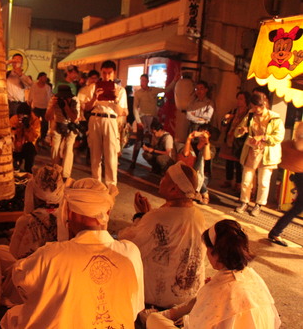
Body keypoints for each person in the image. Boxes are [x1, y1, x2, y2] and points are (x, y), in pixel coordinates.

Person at [1, 178, 144, 328]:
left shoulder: (51, 255)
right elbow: (133, 310)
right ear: (107, 212)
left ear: (69, 213)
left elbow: (20, 281)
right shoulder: (131, 252)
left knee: (13, 316)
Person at [146, 219, 281, 329]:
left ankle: (157, 315)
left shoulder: (217, 290)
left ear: (214, 252)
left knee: (154, 320)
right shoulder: (253, 276)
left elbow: (195, 325)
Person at [119, 161, 206, 309]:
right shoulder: (199, 216)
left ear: (173, 188)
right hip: (188, 299)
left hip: (158, 303)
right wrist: (145, 216)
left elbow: (128, 244)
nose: (161, 180)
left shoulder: (157, 218)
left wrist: (141, 217)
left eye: (165, 177)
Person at [0, 164, 66, 306]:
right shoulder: (65, 219)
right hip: (56, 272)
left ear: (32, 192)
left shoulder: (26, 220)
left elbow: (15, 253)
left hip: (30, 273)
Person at [235, 93, 284, 216]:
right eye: (254, 106)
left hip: (267, 153)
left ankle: (259, 204)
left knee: (263, 182)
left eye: (259, 107)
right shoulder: (250, 114)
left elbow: (279, 137)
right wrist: (241, 130)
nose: (257, 109)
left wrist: (262, 137)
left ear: (265, 104)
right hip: (251, 151)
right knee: (246, 180)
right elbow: (238, 130)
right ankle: (244, 202)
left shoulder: (274, 118)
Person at [84, 60, 128, 186]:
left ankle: (111, 185)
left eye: (109, 73)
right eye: (104, 73)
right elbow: (86, 108)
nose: (106, 76)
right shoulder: (93, 87)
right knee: (95, 155)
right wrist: (94, 98)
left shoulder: (120, 90)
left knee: (111, 155)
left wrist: (114, 99)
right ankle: (96, 184)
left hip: (111, 120)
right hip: (95, 118)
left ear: (114, 73)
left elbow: (122, 112)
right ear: (101, 72)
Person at [268, 121, 303, 246]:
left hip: (300, 172)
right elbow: (299, 145)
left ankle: (275, 232)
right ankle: (275, 232)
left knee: (299, 206)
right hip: (301, 172)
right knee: (299, 206)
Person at [219, 91, 251, 192]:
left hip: (240, 141)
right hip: (230, 138)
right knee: (228, 161)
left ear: (246, 100)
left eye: (241, 99)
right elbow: (224, 123)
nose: (239, 101)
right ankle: (228, 180)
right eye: (238, 98)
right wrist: (226, 119)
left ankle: (238, 183)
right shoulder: (233, 111)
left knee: (238, 162)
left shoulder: (249, 113)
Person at [45, 84, 79, 179]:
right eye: (61, 97)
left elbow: (74, 118)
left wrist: (66, 107)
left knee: (68, 148)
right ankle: (55, 171)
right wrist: (52, 106)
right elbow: (47, 117)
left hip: (71, 126)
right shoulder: (53, 100)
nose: (63, 99)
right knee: (55, 148)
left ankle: (65, 176)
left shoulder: (75, 101)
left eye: (66, 97)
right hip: (57, 124)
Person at [180, 126, 213, 205]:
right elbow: (185, 154)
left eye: (204, 133)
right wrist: (188, 139)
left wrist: (206, 142)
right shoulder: (193, 144)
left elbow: (207, 157)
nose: (202, 135)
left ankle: (205, 193)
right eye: (200, 133)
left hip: (204, 176)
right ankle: (198, 193)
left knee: (200, 162)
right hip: (191, 172)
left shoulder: (211, 147)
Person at [10, 103, 40, 173]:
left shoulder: (35, 121)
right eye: (20, 115)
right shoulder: (14, 119)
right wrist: (18, 129)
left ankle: (28, 171)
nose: (21, 117)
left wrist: (28, 127)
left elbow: (33, 138)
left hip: (27, 147)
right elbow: (10, 132)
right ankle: (15, 164)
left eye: (24, 115)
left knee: (30, 147)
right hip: (15, 147)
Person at [28, 72, 52, 143]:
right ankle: (34, 137)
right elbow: (30, 96)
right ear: (40, 77)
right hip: (36, 107)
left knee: (45, 124)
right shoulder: (34, 86)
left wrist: (49, 108)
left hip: (45, 108)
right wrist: (29, 105)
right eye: (44, 77)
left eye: (46, 77)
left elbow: (49, 98)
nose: (45, 79)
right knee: (35, 123)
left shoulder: (47, 87)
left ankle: (42, 138)